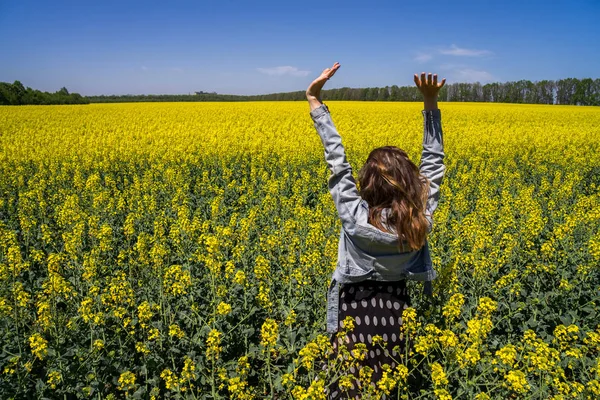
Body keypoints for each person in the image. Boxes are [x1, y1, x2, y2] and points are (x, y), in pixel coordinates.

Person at [306, 63, 446, 398]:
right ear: (412, 183)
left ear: (365, 183)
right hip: (395, 309)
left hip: (353, 309)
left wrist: (314, 100)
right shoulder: (419, 220)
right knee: (387, 384)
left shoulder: (355, 218)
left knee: (347, 382)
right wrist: (430, 104)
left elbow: (336, 161)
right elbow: (434, 163)